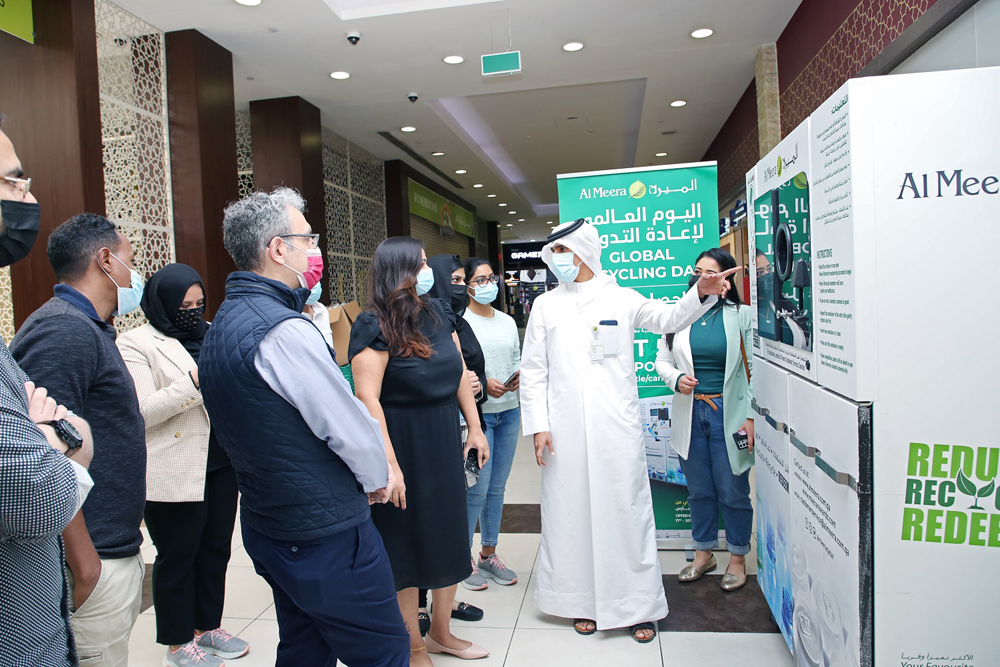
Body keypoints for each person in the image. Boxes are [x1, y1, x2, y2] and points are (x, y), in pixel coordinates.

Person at [198, 187, 409, 667]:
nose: (315, 251)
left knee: (304, 644)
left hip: (270, 522)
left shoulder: (223, 324)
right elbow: (346, 424)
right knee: (384, 650)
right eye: (307, 239)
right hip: (325, 530)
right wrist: (377, 479)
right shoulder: (283, 329)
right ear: (277, 249)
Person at [519, 219, 740, 643]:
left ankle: (636, 605)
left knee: (625, 512)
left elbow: (668, 317)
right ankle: (578, 601)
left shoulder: (620, 297)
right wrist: (539, 426)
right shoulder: (546, 305)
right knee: (571, 514)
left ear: (583, 251)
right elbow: (533, 370)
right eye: (555, 254)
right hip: (564, 430)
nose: (557, 260)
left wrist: (702, 291)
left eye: (563, 252)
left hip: (615, 430)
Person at [12, 213, 149, 667]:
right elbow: (45, 453)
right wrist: (85, 563)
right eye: (130, 259)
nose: (135, 274)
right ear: (105, 259)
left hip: (113, 546)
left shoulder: (86, 326)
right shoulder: (62, 332)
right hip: (93, 560)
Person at [350, 237, 490, 663]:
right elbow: (367, 397)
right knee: (406, 545)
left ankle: (442, 632)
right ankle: (411, 643)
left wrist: (476, 428)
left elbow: (461, 371)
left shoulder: (437, 311)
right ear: (399, 271)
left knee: (449, 537)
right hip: (400, 441)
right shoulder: (373, 324)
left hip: (442, 434)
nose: (429, 271)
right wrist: (390, 464)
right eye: (421, 264)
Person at [116, 263, 248, 665]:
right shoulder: (135, 343)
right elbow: (142, 411)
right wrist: (193, 381)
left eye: (199, 303)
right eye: (184, 305)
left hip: (221, 464)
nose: (193, 312)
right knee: (178, 557)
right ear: (162, 303)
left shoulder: (212, 333)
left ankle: (207, 626)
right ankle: (176, 641)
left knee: (215, 551)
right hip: (173, 467)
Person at [0, 122, 97, 667]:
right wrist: (57, 441)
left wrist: (49, 440)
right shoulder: (61, 328)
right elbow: (36, 492)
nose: (30, 198)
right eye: (15, 182)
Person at [655, 248, 755, 591]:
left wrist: (752, 418)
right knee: (698, 489)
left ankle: (738, 557)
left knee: (733, 489)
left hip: (730, 414)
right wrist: (675, 380)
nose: (702, 277)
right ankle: (703, 553)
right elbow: (662, 361)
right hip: (690, 411)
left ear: (726, 278)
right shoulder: (679, 317)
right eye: (698, 271)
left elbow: (756, 371)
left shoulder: (742, 315)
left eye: (710, 272)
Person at [420, 255, 488, 629]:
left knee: (451, 518)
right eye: (457, 280)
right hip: (420, 433)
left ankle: (444, 604)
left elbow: (463, 369)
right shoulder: (398, 322)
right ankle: (417, 604)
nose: (461, 287)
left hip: (459, 427)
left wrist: (473, 388)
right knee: (420, 521)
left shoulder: (451, 320)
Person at [461, 257, 521, 590]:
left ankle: (489, 553)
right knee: (477, 489)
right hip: (479, 417)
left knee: (497, 488)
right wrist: (487, 380)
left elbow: (516, 357)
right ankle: (463, 558)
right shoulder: (460, 322)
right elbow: (460, 370)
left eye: (491, 278)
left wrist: (515, 377)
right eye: (480, 280)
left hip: (509, 411)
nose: (488, 285)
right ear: (467, 286)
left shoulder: (507, 322)